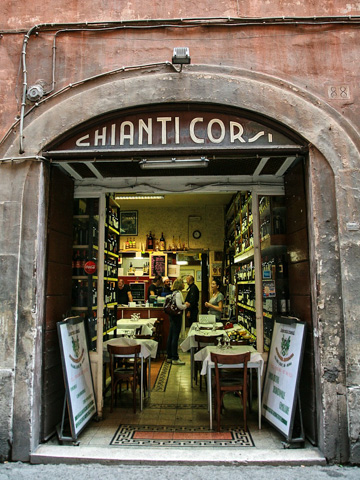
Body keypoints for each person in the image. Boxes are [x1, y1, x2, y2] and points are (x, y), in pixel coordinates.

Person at [166, 277, 190, 365]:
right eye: (183, 283)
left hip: (172, 316)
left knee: (171, 336)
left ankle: (169, 356)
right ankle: (175, 357)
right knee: (175, 337)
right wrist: (186, 306)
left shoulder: (173, 293)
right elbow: (179, 306)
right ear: (180, 285)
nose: (184, 284)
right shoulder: (178, 294)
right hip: (177, 317)